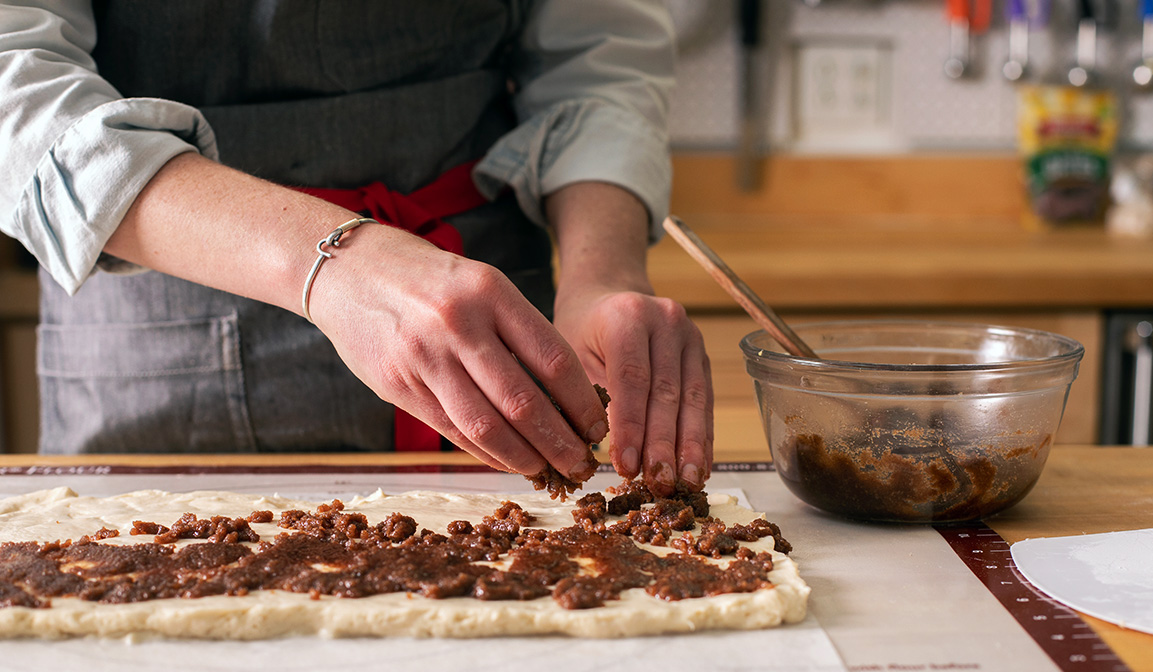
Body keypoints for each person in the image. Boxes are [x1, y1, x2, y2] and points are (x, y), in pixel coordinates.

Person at [0, 0, 714, 496]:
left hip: (495, 312)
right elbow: (19, 88)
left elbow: (597, 62)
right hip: (158, 333)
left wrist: (600, 274)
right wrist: (330, 260)